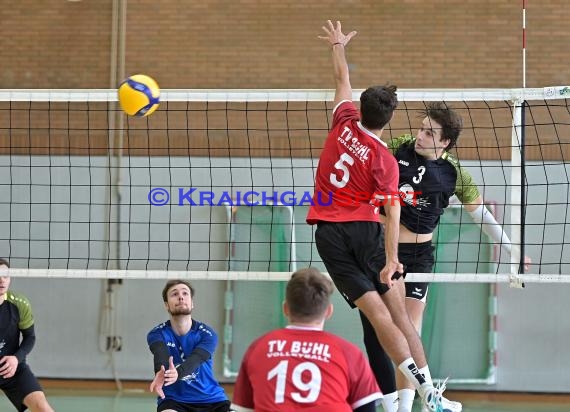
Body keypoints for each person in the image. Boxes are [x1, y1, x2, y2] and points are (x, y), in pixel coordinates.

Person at [305, 20, 460, 412]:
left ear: (359, 108)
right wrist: (392, 259)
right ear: (388, 121)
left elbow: (341, 78)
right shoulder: (385, 160)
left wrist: (337, 46)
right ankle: (429, 394)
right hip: (365, 232)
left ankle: (414, 398)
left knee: (378, 317)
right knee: (400, 316)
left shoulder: (342, 120)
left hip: (327, 233)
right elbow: (392, 214)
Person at [361, 102, 532, 412]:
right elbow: (369, 152)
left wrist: (514, 251)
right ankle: (403, 402)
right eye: (422, 128)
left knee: (410, 328)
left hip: (420, 255)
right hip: (385, 250)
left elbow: (482, 217)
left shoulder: (455, 174)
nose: (420, 135)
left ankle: (407, 406)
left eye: (430, 132)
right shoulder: (399, 146)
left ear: (445, 142)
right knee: (383, 329)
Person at [231, 267, 382, 412]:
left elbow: (244, 408)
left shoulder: (258, 348)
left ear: (285, 308)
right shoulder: (349, 353)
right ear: (329, 311)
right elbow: (366, 408)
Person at [147, 279, 231, 412]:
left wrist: (177, 373)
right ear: (167, 305)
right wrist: (160, 371)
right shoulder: (157, 333)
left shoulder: (207, 334)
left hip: (212, 400)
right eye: (174, 294)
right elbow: (160, 353)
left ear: (192, 303)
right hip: (174, 401)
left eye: (185, 293)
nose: (180, 297)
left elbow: (196, 358)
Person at [0, 258, 54, 412]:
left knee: (43, 408)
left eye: (5, 275)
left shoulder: (19, 303)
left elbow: (30, 337)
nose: (1, 280)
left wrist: (16, 358)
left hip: (12, 368)